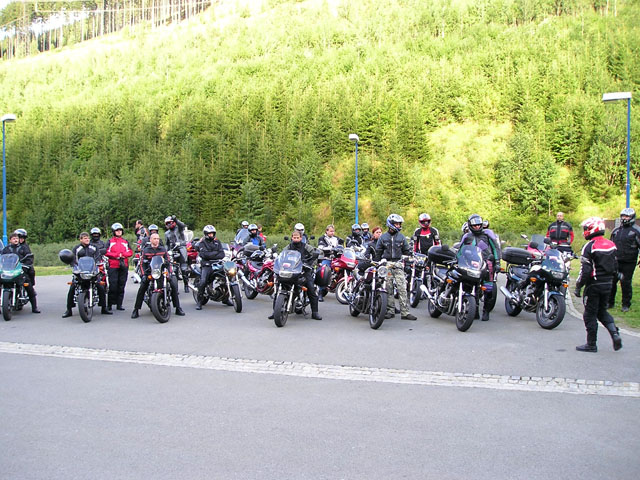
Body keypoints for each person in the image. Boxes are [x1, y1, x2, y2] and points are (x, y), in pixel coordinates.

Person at [574, 217, 622, 352]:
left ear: (592, 229)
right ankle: (615, 334)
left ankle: (591, 344)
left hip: (594, 284)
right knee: (602, 311)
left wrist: (578, 286)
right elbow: (615, 266)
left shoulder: (590, 246)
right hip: (608, 283)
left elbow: (585, 270)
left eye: (586, 229)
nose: (584, 231)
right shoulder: (611, 244)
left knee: (589, 314)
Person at [270, 230, 321, 320]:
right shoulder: (288, 247)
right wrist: (278, 261)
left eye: (298, 237)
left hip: (304, 270)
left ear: (301, 238)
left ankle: (315, 312)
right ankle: (275, 312)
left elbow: (315, 256)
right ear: (292, 238)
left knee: (310, 288)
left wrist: (310, 264)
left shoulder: (306, 247)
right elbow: (281, 256)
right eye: (294, 237)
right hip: (291, 270)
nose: (296, 239)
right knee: (278, 288)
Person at [131, 233, 185, 318]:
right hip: (150, 272)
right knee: (142, 288)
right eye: (155, 238)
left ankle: (178, 308)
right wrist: (144, 274)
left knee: (173, 285)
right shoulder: (146, 250)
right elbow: (142, 264)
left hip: (162, 271)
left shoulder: (163, 249)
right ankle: (136, 309)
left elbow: (168, 262)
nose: (156, 240)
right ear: (151, 240)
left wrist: (169, 272)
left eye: (158, 239)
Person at [374, 214, 416, 321]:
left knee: (402, 288)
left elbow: (406, 251)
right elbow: (378, 252)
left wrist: (408, 260)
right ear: (391, 224)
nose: (398, 226)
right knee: (388, 288)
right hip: (387, 264)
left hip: (398, 264)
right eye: (397, 224)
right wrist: (377, 263)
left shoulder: (401, 237)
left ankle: (405, 313)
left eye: (399, 224)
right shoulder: (383, 237)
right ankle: (390, 311)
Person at [460, 214, 501, 321]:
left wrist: (497, 262)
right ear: (470, 226)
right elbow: (460, 250)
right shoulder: (467, 236)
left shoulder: (487, 234)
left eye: (479, 225)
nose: (477, 227)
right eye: (475, 225)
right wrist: (457, 260)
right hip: (471, 263)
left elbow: (495, 248)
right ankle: (474, 310)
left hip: (487, 263)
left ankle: (486, 311)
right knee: (470, 286)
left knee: (488, 288)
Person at [63, 232, 111, 318]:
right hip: (80, 272)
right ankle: (69, 310)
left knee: (100, 286)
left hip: (92, 271)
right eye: (85, 238)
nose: (87, 239)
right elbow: (73, 259)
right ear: (80, 239)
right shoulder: (77, 248)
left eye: (88, 238)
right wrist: (73, 265)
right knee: (72, 287)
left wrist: (98, 264)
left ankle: (104, 308)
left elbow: (98, 257)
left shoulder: (94, 247)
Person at [608, 207, 640, 312]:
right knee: (612, 281)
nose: (625, 218)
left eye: (627, 216)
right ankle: (610, 302)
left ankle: (625, 304)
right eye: (623, 216)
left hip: (629, 261)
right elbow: (610, 245)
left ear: (632, 217)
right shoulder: (616, 230)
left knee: (625, 282)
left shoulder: (636, 231)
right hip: (616, 260)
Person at [2, 231, 40, 313]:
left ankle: (34, 307)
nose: (15, 240)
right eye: (13, 238)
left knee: (28, 286)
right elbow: (2, 258)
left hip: (20, 270)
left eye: (17, 238)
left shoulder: (24, 248)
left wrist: (26, 265)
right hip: (9, 271)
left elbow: (29, 257)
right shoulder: (6, 249)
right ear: (10, 240)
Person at [195, 225, 226, 310]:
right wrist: (215, 253)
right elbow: (204, 255)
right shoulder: (202, 243)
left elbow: (222, 254)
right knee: (203, 281)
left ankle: (225, 298)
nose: (211, 235)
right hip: (206, 264)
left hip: (217, 263)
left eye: (212, 233)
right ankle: (199, 301)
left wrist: (211, 254)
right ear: (206, 234)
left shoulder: (217, 242)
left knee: (226, 277)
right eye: (209, 234)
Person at [105, 223, 133, 311]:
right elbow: (106, 252)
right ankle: (110, 304)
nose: (119, 232)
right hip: (113, 265)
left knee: (121, 285)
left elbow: (130, 252)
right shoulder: (110, 241)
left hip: (124, 265)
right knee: (113, 285)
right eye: (117, 230)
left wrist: (123, 255)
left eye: (120, 230)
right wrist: (116, 255)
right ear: (114, 231)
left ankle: (119, 304)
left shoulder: (125, 242)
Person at [317, 224, 344, 301]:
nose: (332, 233)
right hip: (327, 258)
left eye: (333, 231)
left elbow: (341, 246)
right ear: (326, 231)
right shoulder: (322, 238)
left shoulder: (336, 238)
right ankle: (320, 292)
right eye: (331, 231)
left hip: (336, 259)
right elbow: (320, 247)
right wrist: (330, 248)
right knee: (324, 271)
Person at [164, 215, 190, 292]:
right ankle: (175, 288)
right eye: (167, 223)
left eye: (170, 222)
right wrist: (166, 252)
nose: (169, 224)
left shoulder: (179, 228)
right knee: (174, 270)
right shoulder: (167, 233)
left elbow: (182, 225)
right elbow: (167, 244)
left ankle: (186, 285)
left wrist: (176, 219)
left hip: (181, 248)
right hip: (173, 250)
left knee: (184, 268)